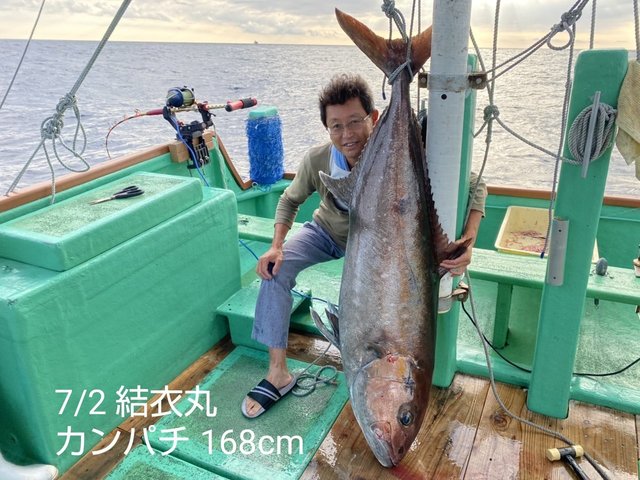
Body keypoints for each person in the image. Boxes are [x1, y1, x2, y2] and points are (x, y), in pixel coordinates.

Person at [241, 73, 487, 418]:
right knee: (274, 272)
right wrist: (276, 246)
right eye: (336, 126)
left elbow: (476, 185)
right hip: (328, 235)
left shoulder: (397, 159)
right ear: (327, 129)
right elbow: (289, 200)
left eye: (355, 122)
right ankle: (277, 372)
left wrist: (470, 242)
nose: (347, 135)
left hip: (383, 250)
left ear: (373, 118)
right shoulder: (318, 160)